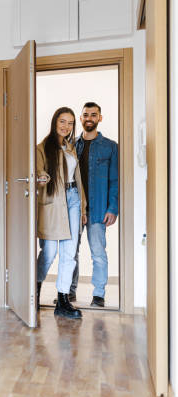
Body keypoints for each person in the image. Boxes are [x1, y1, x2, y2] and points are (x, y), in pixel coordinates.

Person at [36, 107, 87, 319]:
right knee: (49, 252)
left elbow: (78, 178)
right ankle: (34, 291)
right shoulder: (42, 148)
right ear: (55, 121)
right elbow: (37, 172)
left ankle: (63, 300)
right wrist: (41, 177)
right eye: (62, 121)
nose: (66, 126)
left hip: (73, 198)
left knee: (69, 253)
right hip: (53, 201)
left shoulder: (70, 148)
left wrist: (82, 207)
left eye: (70, 123)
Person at [68, 102, 119, 308]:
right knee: (70, 251)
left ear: (100, 118)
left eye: (94, 115)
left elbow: (115, 180)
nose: (89, 118)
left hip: (98, 209)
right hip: (74, 208)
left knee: (98, 252)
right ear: (81, 119)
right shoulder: (71, 145)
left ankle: (98, 294)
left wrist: (112, 208)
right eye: (86, 115)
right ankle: (69, 291)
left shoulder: (110, 146)